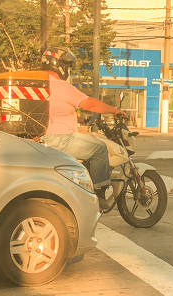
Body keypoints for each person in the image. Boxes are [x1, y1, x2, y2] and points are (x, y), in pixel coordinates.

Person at [40, 47, 126, 210]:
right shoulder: (62, 86)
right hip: (60, 140)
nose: (67, 70)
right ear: (59, 66)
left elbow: (54, 112)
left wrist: (80, 119)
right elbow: (91, 104)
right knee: (100, 149)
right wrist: (115, 110)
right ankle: (98, 196)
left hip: (42, 139)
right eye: (66, 65)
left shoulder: (38, 85)